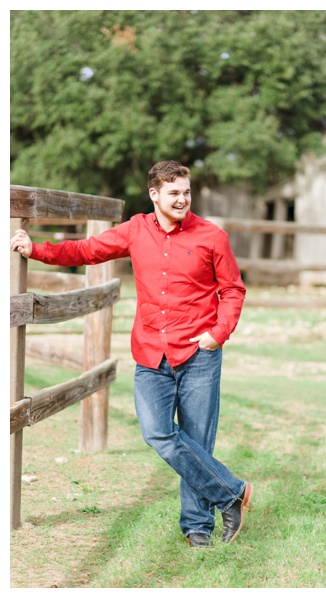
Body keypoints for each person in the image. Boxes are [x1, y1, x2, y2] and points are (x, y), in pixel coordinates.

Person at [10, 160, 252, 547]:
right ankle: (232, 493)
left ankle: (197, 528)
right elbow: (87, 250)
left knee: (196, 442)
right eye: (174, 193)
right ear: (154, 194)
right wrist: (37, 249)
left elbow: (233, 291)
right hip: (152, 354)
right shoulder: (136, 229)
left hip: (199, 353)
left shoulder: (212, 236)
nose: (182, 199)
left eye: (186, 192)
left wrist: (218, 334)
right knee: (159, 434)